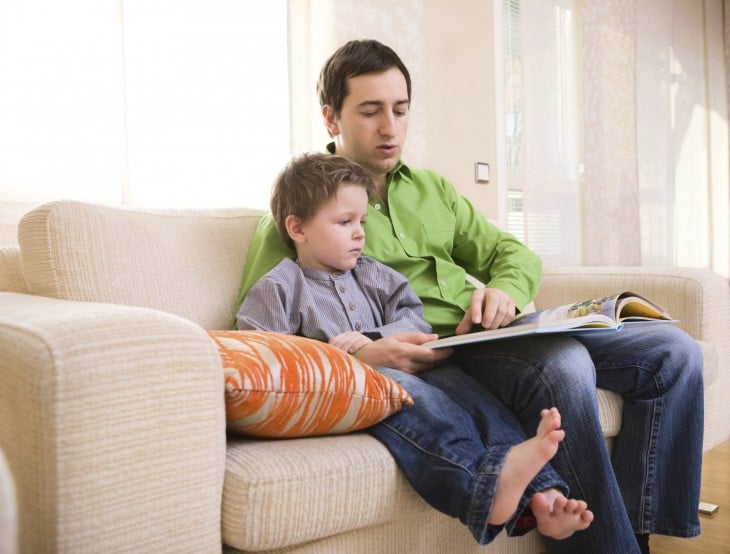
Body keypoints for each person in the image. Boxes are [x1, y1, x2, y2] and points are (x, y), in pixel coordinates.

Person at [237, 39, 704, 554]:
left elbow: (513, 253)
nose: (390, 127)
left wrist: (504, 290)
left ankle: (638, 534)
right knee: (566, 365)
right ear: (331, 118)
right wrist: (362, 352)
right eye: (370, 112)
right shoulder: (299, 217)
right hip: (446, 354)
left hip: (500, 329)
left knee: (673, 352)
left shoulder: (433, 190)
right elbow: (263, 348)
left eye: (400, 109)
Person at [237, 151, 593, 544]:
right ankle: (483, 490)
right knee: (431, 409)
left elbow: (413, 316)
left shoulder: (372, 273)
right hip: (359, 389)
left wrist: (379, 339)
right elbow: (262, 354)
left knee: (476, 400)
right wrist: (337, 355)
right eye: (344, 222)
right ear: (297, 229)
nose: (360, 233)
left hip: (413, 366)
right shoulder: (281, 285)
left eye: (362, 222)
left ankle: (543, 495)